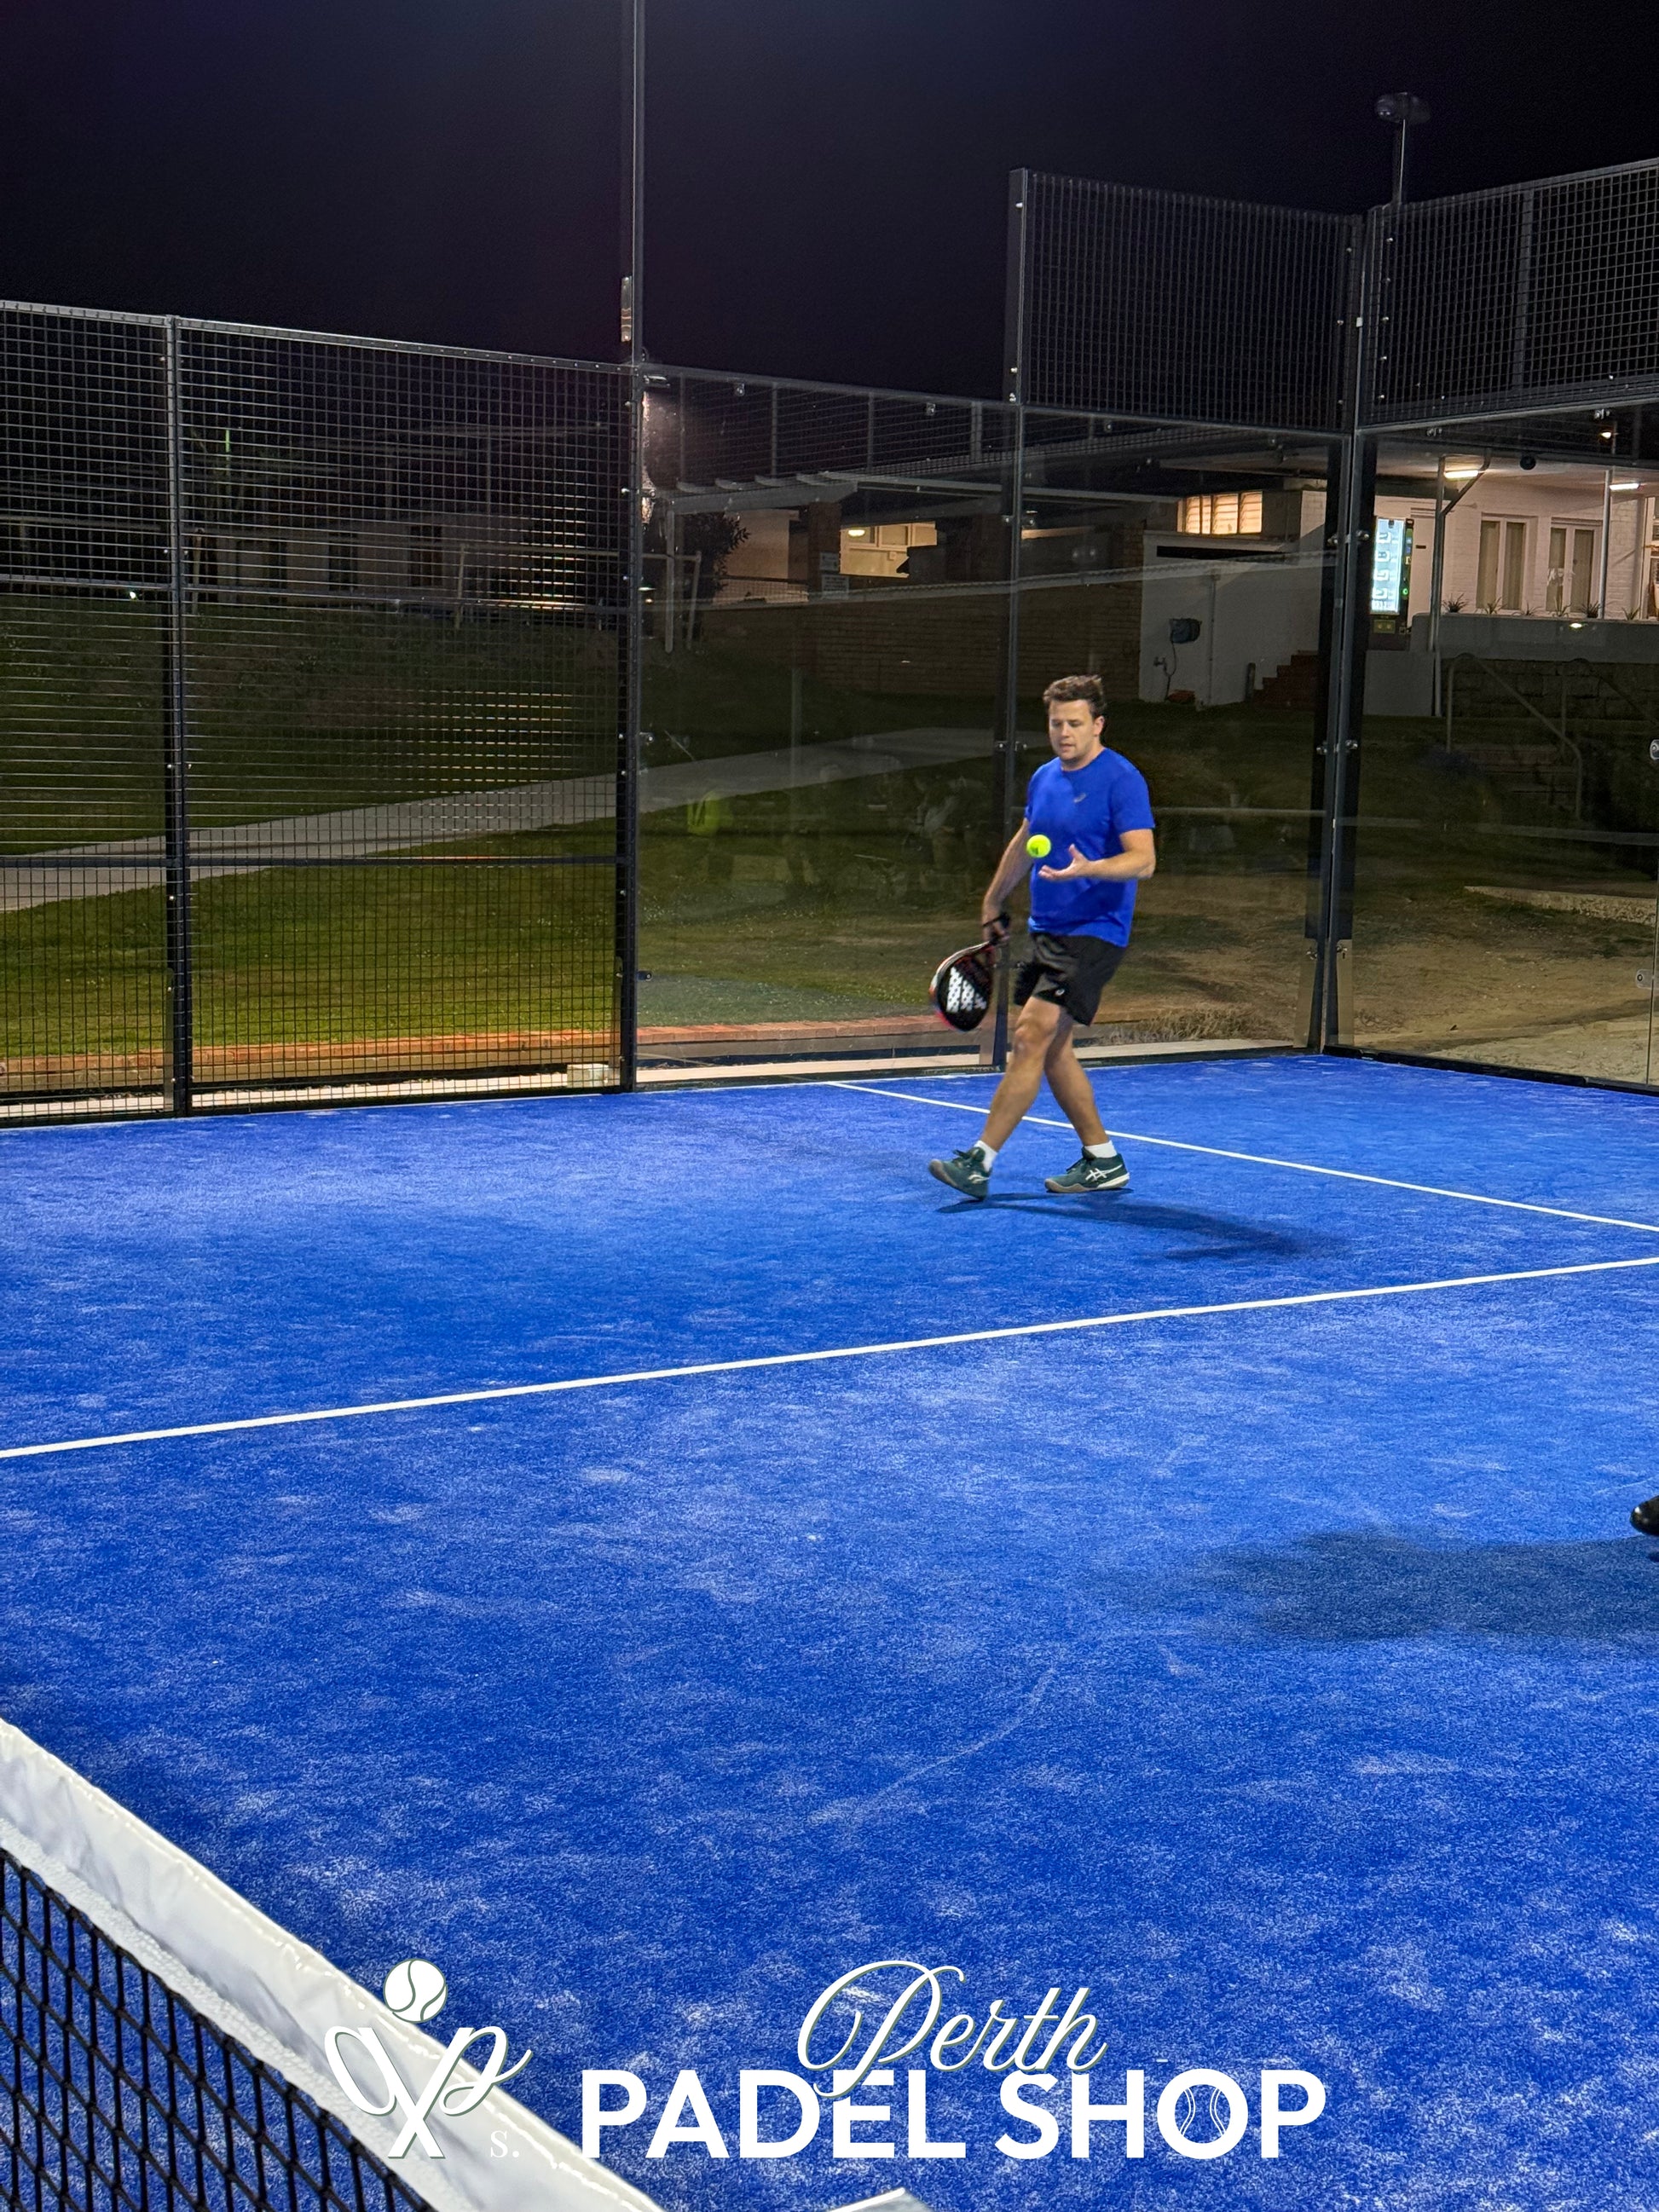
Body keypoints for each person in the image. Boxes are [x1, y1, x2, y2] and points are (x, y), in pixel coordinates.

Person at [929, 674, 1156, 1201]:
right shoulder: (1044, 777)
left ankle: (978, 1161)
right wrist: (993, 899)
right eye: (1056, 723)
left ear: (1098, 725)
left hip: (1095, 931)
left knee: (1031, 1035)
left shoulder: (1122, 779)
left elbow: (1144, 860)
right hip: (1047, 931)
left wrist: (1091, 869)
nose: (1064, 733)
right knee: (1054, 1051)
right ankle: (1103, 1160)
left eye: (1075, 723)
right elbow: (1025, 839)